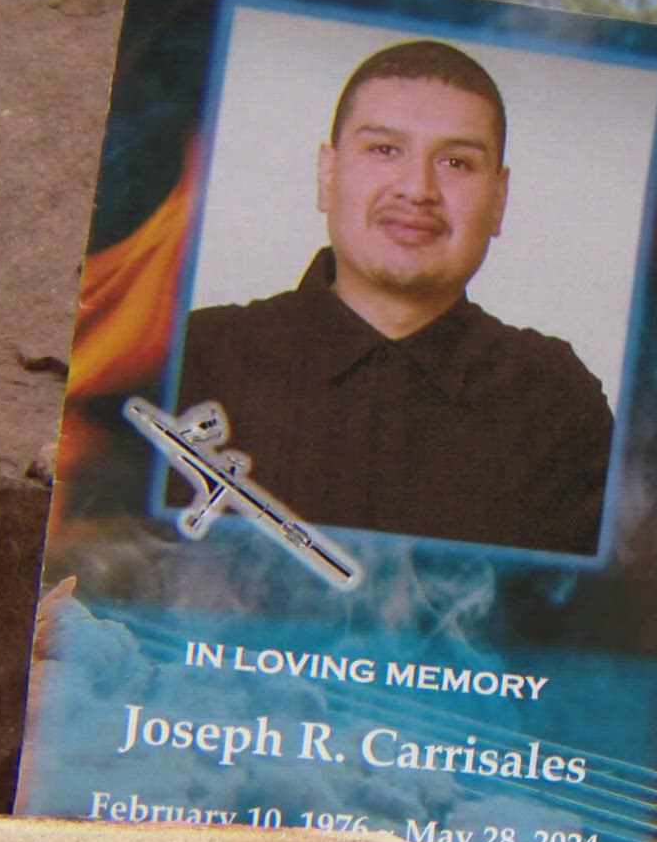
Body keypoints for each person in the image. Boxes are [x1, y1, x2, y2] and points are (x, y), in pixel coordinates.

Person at [174, 40, 613, 555]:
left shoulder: (558, 402)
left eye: (456, 162)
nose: (417, 188)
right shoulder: (189, 359)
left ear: (499, 200)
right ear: (327, 173)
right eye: (384, 150)